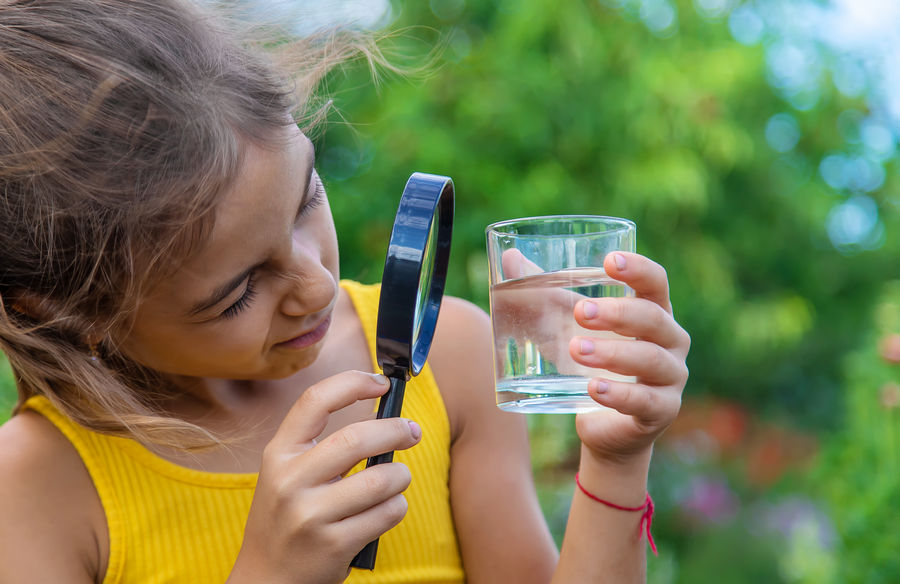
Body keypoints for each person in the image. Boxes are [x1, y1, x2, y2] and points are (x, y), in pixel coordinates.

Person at [0, 1, 690, 582]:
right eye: (237, 293)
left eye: (306, 200)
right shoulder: (35, 489)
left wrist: (617, 461)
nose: (316, 284)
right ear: (60, 311)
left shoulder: (448, 356)